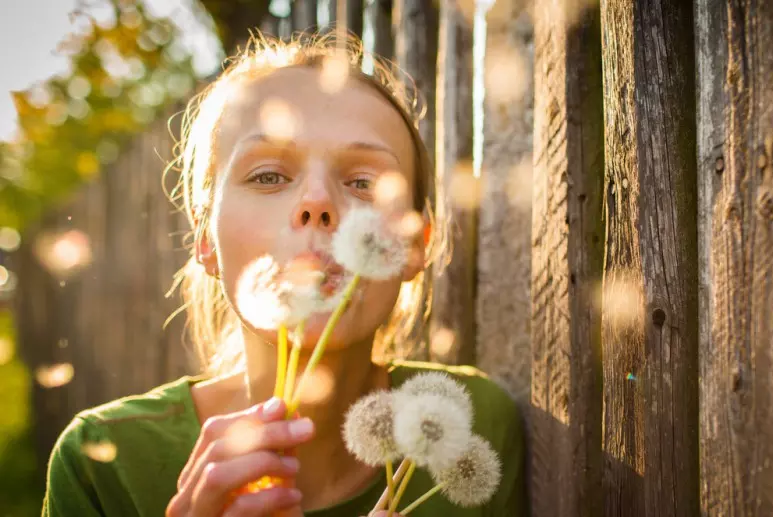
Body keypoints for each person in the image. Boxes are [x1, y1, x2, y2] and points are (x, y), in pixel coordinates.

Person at [41, 32, 527, 517]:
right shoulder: (103, 467)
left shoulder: (472, 426)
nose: (316, 203)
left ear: (415, 246)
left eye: (364, 183)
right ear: (204, 241)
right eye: (268, 176)